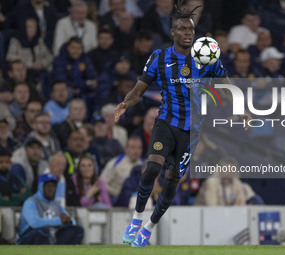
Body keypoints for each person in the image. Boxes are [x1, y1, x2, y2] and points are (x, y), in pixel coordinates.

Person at [116, 3, 250, 247]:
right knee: (153, 169)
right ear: (173, 33)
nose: (188, 32)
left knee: (171, 181)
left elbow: (226, 83)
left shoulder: (206, 58)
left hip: (191, 132)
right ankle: (136, 218)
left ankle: (149, 227)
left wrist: (241, 108)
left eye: (191, 29)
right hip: (166, 121)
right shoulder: (159, 57)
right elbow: (138, 89)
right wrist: (125, 104)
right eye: (183, 28)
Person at [17, 173, 84, 245]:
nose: (51, 189)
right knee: (43, 231)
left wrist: (69, 220)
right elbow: (35, 223)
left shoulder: (56, 204)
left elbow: (72, 221)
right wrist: (59, 221)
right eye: (48, 186)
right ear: (41, 187)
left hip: (51, 238)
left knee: (78, 230)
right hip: (28, 238)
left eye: (53, 186)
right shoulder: (31, 202)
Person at [100, 136, 144, 205]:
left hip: (138, 200)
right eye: (133, 147)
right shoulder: (115, 163)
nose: (136, 151)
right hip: (116, 199)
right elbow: (101, 183)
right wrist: (118, 193)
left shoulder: (144, 165)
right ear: (126, 149)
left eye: (139, 148)